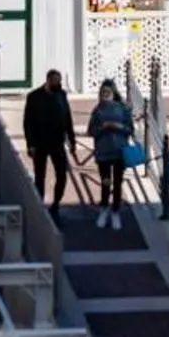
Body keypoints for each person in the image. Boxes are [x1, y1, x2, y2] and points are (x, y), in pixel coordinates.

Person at [23, 67, 77, 215]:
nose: (58, 85)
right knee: (40, 175)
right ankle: (39, 206)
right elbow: (28, 122)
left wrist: (72, 139)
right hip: (40, 143)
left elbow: (67, 118)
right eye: (55, 82)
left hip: (57, 142)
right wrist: (30, 144)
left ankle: (55, 205)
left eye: (59, 82)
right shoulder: (33, 97)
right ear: (48, 81)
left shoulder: (61, 95)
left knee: (62, 174)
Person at [87, 78, 135, 232]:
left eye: (108, 92)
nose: (105, 95)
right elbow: (91, 131)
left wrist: (117, 126)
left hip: (119, 151)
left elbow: (130, 129)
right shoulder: (97, 110)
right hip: (103, 152)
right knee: (106, 182)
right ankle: (104, 210)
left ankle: (115, 212)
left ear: (113, 93)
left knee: (118, 183)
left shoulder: (122, 109)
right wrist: (103, 127)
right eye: (103, 92)